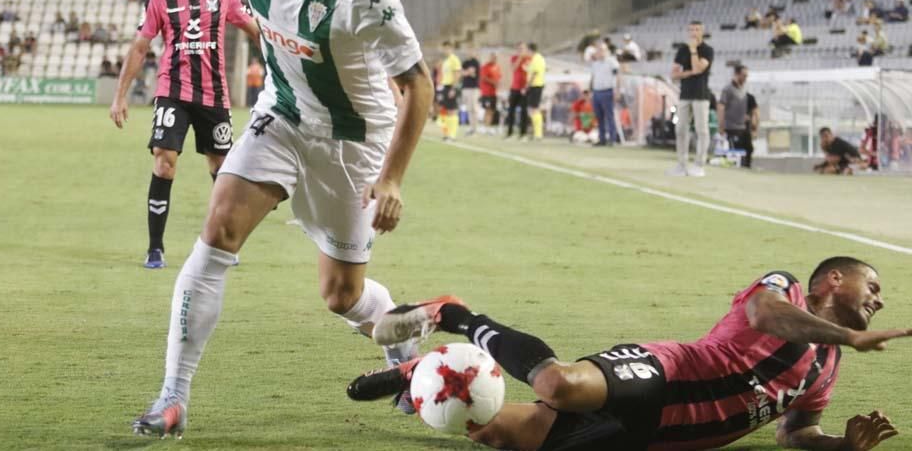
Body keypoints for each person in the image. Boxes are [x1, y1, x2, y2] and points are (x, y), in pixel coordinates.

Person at [71, 0, 434, 437]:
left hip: (351, 144)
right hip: (283, 116)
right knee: (217, 232)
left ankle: (404, 348)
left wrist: (392, 181)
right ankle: (173, 398)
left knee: (342, 296)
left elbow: (419, 85)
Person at [352, 257, 908, 451]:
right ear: (834, 280)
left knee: (493, 431)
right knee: (558, 386)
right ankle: (454, 314)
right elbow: (762, 317)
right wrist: (850, 336)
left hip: (655, 437)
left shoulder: (827, 371)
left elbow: (795, 435)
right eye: (873, 288)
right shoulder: (784, 289)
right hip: (666, 374)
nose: (879, 302)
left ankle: (421, 372)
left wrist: (842, 445)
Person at [108, 0, 259, 268]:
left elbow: (257, 33)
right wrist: (120, 96)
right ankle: (155, 248)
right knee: (164, 162)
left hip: (214, 95)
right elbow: (139, 48)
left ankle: (223, 245)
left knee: (221, 169)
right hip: (172, 92)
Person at [670, 21, 713, 176]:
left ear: (702, 31)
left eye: (697, 29)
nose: (694, 32)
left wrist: (694, 51)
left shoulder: (707, 50)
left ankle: (699, 164)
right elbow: (674, 74)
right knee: (680, 128)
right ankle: (681, 164)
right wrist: (687, 73)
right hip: (685, 94)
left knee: (701, 130)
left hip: (701, 94)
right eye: (691, 30)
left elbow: (698, 68)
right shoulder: (682, 49)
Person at [718, 64, 753, 168]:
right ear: (737, 74)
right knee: (734, 152)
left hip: (743, 127)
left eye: (747, 76)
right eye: (744, 75)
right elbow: (721, 107)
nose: (745, 78)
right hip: (731, 127)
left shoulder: (744, 89)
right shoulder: (728, 89)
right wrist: (721, 125)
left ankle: (747, 168)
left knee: (748, 149)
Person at [589, 42, 619, 146]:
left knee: (609, 116)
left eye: (602, 50)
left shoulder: (611, 62)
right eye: (598, 50)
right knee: (599, 117)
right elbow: (593, 78)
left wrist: (616, 90)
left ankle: (612, 138)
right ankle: (602, 138)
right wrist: (591, 90)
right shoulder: (595, 64)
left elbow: (617, 76)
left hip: (607, 91)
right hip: (597, 91)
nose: (600, 52)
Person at [505, 42, 530, 138]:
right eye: (519, 49)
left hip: (525, 89)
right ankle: (510, 132)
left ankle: (523, 133)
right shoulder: (514, 58)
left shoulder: (529, 59)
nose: (520, 50)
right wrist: (520, 58)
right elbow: (513, 68)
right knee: (511, 110)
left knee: (524, 111)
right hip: (515, 88)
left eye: (522, 49)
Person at [438, 41, 461, 142]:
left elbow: (457, 74)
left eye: (447, 48)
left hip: (451, 86)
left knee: (452, 110)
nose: (445, 50)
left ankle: (453, 135)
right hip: (445, 86)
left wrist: (453, 88)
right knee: (445, 110)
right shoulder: (446, 60)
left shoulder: (454, 59)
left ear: (451, 48)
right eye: (444, 48)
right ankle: (446, 133)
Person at [524, 43, 546, 141]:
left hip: (536, 86)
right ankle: (536, 133)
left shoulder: (537, 58)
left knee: (534, 109)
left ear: (530, 50)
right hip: (536, 86)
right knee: (533, 109)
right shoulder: (536, 59)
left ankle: (538, 134)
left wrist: (527, 86)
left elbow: (534, 73)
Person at [478, 53, 502, 133]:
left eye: (495, 58)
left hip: (494, 93)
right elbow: (483, 77)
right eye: (492, 57)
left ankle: (488, 126)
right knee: (487, 109)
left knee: (492, 110)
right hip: (486, 92)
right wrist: (493, 82)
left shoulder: (497, 67)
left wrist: (498, 84)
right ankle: (484, 126)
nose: (494, 59)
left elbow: (498, 78)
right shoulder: (485, 67)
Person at [460, 50, 480, 135]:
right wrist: (468, 72)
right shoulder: (465, 62)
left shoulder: (475, 62)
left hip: (473, 88)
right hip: (465, 87)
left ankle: (475, 128)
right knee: (468, 108)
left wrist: (468, 72)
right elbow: (462, 73)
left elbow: (473, 74)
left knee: (474, 108)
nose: (470, 52)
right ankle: (471, 128)